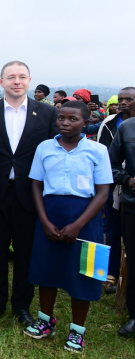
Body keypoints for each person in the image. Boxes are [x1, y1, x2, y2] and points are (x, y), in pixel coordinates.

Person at [0, 60, 58, 326]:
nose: (17, 81)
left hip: (30, 194)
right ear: (1, 82)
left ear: (30, 81)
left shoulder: (46, 114)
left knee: (25, 251)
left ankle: (22, 305)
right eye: (11, 77)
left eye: (22, 77)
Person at [24, 100, 111, 353]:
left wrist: (78, 225)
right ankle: (45, 321)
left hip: (85, 219)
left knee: (82, 274)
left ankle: (77, 331)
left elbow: (103, 192)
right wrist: (44, 221)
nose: (65, 123)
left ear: (86, 123)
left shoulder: (96, 151)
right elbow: (36, 185)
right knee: (46, 270)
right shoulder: (45, 148)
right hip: (51, 215)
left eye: (73, 119)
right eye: (61, 118)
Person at [97, 88, 135, 294]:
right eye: (120, 99)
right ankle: (110, 271)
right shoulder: (109, 123)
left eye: (129, 99)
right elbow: (104, 154)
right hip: (114, 182)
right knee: (111, 228)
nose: (123, 102)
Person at [109, 93, 135, 338]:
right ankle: (133, 315)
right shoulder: (126, 128)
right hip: (133, 204)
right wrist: (128, 179)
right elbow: (112, 163)